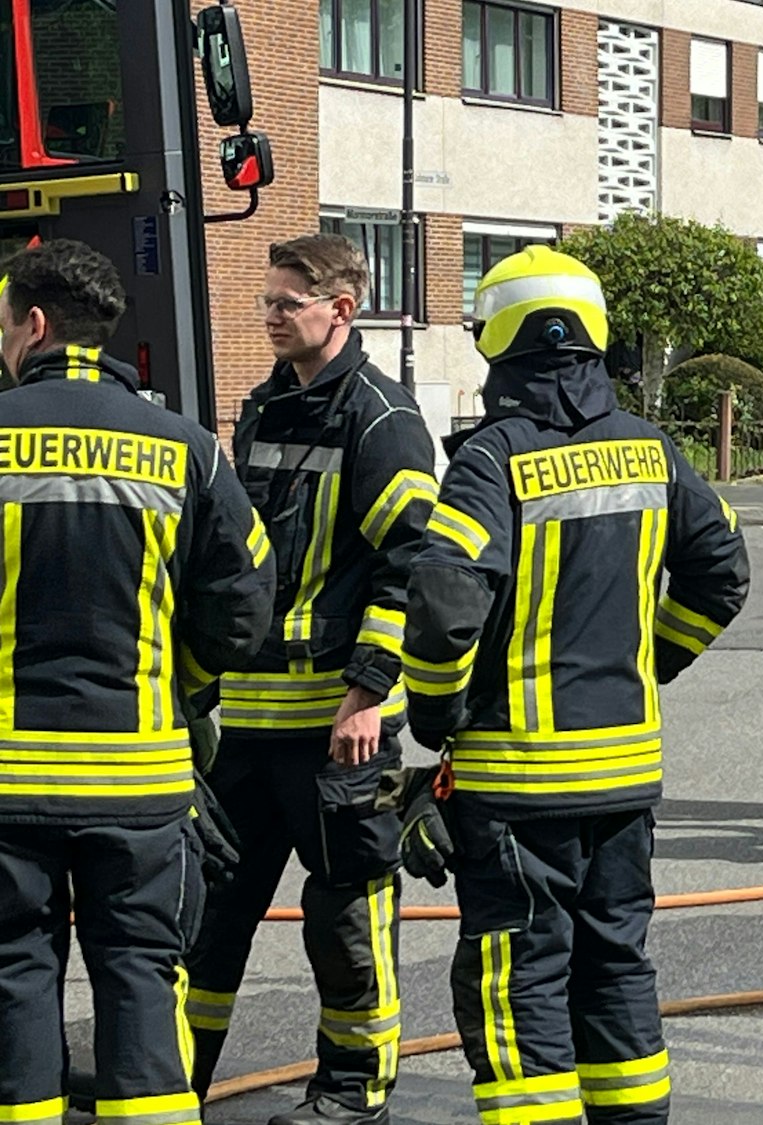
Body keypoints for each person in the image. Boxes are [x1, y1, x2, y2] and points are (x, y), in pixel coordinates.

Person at [398, 245, 749, 1125]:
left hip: (517, 781)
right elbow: (723, 573)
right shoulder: (651, 450)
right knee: (616, 963)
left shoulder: (491, 459)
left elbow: (444, 605)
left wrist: (437, 717)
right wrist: (650, 661)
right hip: (624, 772)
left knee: (517, 980)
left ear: (498, 340)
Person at [0, 239, 273, 1125]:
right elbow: (244, 601)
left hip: (9, 783)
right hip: (141, 778)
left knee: (14, 974)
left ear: (34, 324)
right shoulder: (186, 448)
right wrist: (178, 685)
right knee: (141, 974)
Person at [183, 234, 439, 1125]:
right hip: (251, 721)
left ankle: (353, 1089)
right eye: (267, 301)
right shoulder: (263, 409)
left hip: (338, 727)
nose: (270, 316)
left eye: (287, 303)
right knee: (210, 909)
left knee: (345, 919)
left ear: (342, 308)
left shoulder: (383, 419)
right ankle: (171, 1080)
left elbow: (409, 566)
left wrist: (367, 692)